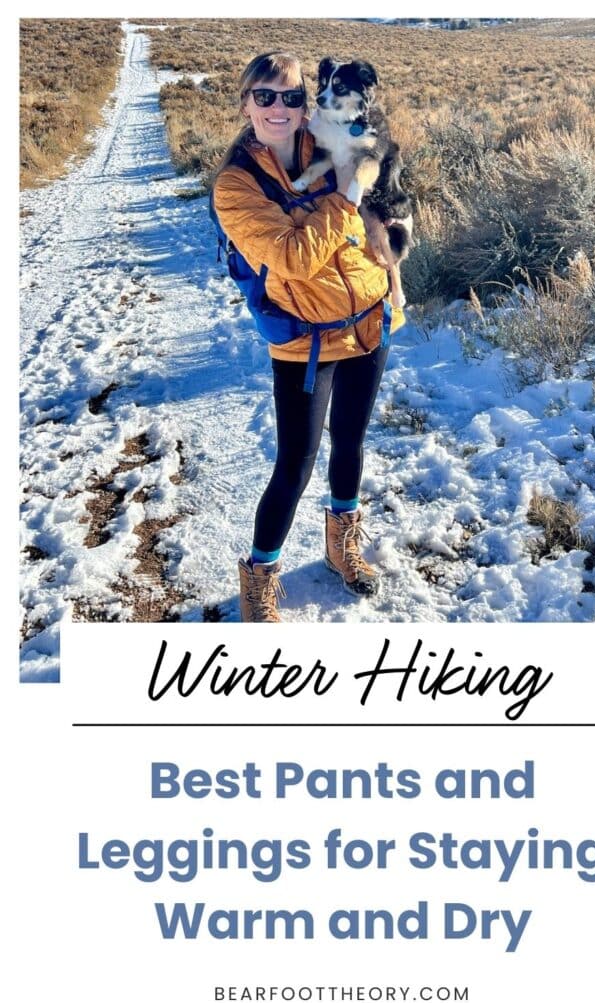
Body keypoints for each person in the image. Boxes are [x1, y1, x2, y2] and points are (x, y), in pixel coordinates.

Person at [212, 52, 405, 622]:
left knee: (351, 441)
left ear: (307, 103)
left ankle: (341, 543)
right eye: (265, 96)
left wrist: (367, 203)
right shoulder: (236, 184)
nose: (279, 107)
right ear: (245, 101)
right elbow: (293, 258)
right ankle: (260, 574)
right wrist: (345, 196)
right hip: (305, 340)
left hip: (370, 319)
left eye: (292, 97)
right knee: (295, 462)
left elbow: (385, 186)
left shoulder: (324, 141)